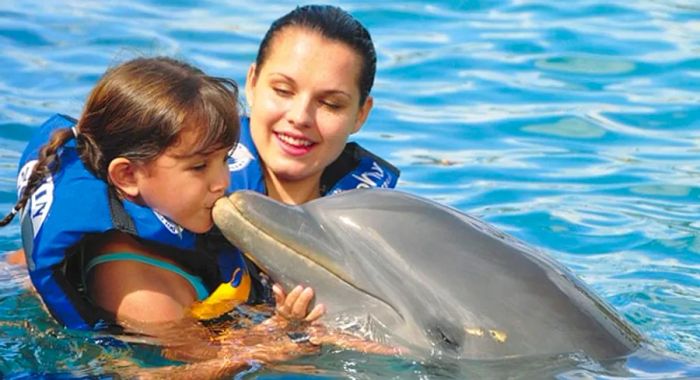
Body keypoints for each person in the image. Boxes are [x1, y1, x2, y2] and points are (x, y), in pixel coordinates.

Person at [0, 56, 321, 332]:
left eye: (224, 159)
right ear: (127, 175)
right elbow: (186, 372)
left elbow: (16, 265)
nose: (222, 181)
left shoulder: (160, 219)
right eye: (199, 167)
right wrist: (283, 335)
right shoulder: (141, 292)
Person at [229, 4, 399, 204]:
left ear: (360, 115)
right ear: (252, 84)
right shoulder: (190, 196)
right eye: (283, 90)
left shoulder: (377, 222)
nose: (300, 117)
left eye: (331, 104)